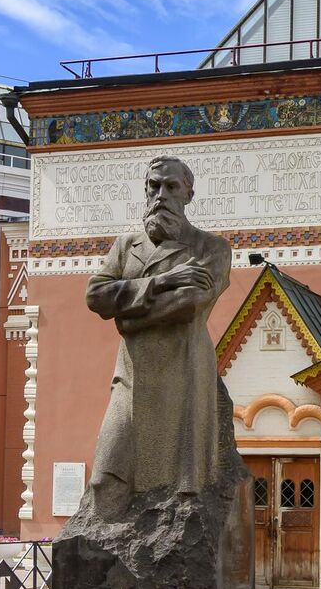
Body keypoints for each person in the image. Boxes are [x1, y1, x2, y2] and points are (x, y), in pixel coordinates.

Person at [67, 156, 233, 532]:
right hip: (133, 375)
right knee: (106, 476)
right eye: (153, 186)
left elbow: (191, 304)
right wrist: (161, 282)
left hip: (184, 373)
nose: (161, 195)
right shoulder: (126, 247)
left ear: (188, 194)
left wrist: (126, 316)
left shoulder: (211, 248)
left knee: (177, 493)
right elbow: (96, 295)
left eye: (171, 187)